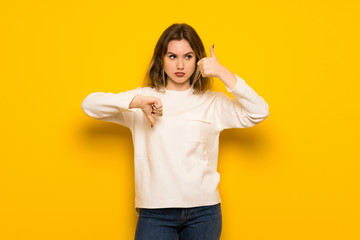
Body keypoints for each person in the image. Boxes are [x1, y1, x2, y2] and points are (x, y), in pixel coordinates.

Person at [81, 23, 269, 240]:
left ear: (198, 60)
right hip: (155, 213)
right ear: (161, 59)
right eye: (172, 56)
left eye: (188, 56)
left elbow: (259, 111)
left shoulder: (212, 103)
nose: (180, 65)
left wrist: (223, 73)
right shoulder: (143, 99)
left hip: (204, 212)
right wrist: (135, 101)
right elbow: (89, 105)